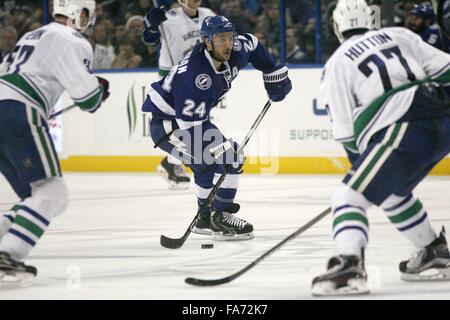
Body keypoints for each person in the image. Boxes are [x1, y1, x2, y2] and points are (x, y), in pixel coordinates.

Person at [312, 0, 450, 296]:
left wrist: (358, 178)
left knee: (348, 198)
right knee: (391, 194)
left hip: (401, 125)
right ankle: (432, 251)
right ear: (370, 19)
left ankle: (349, 267)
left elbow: (347, 134)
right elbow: (447, 70)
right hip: (441, 119)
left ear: (336, 27)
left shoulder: (336, 63)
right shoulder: (400, 35)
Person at [142, 16, 292, 238]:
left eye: (229, 38)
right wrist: (220, 151)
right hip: (168, 125)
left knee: (218, 160)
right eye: (221, 39)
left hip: (191, 120)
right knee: (221, 159)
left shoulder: (236, 49)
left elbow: (252, 43)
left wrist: (272, 72)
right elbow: (191, 129)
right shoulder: (195, 77)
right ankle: (217, 217)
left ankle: (207, 218)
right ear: (207, 42)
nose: (228, 44)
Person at [0, 0, 110, 285]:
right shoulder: (71, 38)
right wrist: (98, 89)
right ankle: (8, 252)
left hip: (6, 105)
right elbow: (87, 99)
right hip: (17, 110)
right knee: (53, 193)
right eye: (86, 13)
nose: (88, 19)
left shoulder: (33, 34)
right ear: (77, 13)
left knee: (35, 198)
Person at [142, 0, 216, 190]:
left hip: (197, 78)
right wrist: (151, 25)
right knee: (178, 123)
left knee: (191, 123)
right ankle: (172, 164)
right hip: (171, 77)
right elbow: (149, 38)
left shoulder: (208, 14)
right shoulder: (169, 18)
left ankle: (171, 163)